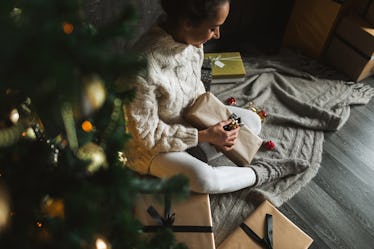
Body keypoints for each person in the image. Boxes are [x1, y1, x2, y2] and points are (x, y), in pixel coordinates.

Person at [124, 0, 308, 194]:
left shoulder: (191, 40)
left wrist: (214, 125)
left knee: (251, 121)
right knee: (205, 180)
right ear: (187, 23)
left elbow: (197, 93)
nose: (217, 35)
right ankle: (263, 171)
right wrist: (205, 135)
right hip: (152, 147)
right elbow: (144, 136)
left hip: (194, 123)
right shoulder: (140, 68)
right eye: (213, 28)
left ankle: (196, 153)